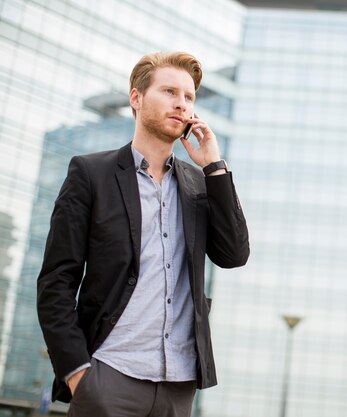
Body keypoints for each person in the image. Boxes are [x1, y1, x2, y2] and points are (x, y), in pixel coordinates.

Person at [37, 51, 250, 417]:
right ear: (136, 98)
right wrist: (77, 374)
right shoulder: (91, 174)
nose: (181, 104)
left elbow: (233, 255)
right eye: (169, 91)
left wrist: (215, 168)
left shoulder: (198, 184)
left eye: (188, 97)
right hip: (109, 376)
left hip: (178, 387)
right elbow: (57, 281)